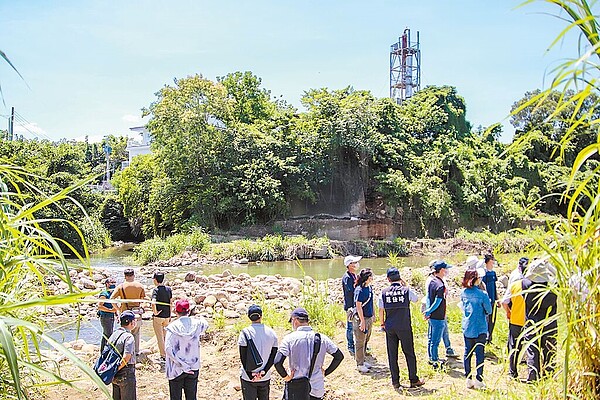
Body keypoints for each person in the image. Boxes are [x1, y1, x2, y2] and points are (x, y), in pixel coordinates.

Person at [274, 307, 344, 400]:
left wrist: (286, 377)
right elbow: (339, 356)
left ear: (295, 320)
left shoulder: (289, 339)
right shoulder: (322, 338)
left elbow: (277, 362)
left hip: (296, 389)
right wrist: (325, 372)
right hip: (316, 388)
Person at [378, 267, 425, 389]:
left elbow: (381, 309)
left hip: (390, 327)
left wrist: (382, 323)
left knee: (392, 354)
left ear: (388, 279)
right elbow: (416, 299)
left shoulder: (384, 292)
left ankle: (395, 381)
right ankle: (413, 380)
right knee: (409, 353)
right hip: (404, 326)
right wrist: (406, 284)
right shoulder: (406, 290)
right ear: (400, 277)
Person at [165, 299, 209, 400]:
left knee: (175, 397)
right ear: (188, 311)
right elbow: (206, 324)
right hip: (193, 366)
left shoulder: (172, 327)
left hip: (176, 369)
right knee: (191, 397)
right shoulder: (197, 324)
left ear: (176, 312)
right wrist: (199, 316)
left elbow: (168, 348)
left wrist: (181, 364)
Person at [522, 259, 558, 382]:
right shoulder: (552, 289)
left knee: (532, 351)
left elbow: (525, 277)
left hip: (532, 324)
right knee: (550, 351)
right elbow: (557, 276)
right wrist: (549, 266)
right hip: (550, 324)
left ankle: (533, 377)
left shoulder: (526, 284)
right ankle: (549, 376)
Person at [238, 304, 278, 400]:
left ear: (249, 317)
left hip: (248, 377)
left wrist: (250, 374)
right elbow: (274, 355)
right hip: (265, 376)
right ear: (261, 316)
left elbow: (243, 356)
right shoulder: (271, 332)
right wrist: (264, 371)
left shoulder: (245, 333)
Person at [460, 269, 492, 390]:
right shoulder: (483, 294)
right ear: (475, 279)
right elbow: (489, 310)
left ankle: (468, 379)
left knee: (467, 353)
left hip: (467, 326)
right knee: (479, 354)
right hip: (480, 328)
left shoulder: (463, 292)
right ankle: (479, 379)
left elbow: (463, 307)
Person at [423, 260, 452, 368]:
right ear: (442, 270)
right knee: (436, 340)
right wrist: (429, 311)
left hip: (432, 316)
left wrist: (428, 312)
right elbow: (438, 301)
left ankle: (431, 357)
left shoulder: (432, 281)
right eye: (446, 269)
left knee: (431, 338)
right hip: (438, 316)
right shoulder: (440, 285)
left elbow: (429, 298)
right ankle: (434, 361)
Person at [111, 268, 146, 355]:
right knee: (136, 333)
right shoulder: (140, 286)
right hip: (137, 313)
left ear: (125, 276)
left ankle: (125, 352)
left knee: (125, 333)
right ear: (133, 275)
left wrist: (118, 309)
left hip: (125, 313)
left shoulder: (120, 287)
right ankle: (136, 351)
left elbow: (112, 299)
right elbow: (143, 300)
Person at [501, 268, 527, 379]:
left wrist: (508, 313)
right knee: (532, 348)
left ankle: (513, 372)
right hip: (531, 322)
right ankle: (533, 373)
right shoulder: (536, 287)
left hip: (515, 320)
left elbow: (504, 302)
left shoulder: (514, 285)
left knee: (514, 347)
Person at [108, 310, 137, 400]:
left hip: (114, 372)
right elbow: (126, 357)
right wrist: (118, 368)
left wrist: (113, 370)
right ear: (131, 322)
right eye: (134, 320)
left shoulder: (114, 334)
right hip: (126, 371)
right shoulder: (129, 337)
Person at [353, 268, 374, 373]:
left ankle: (363, 359)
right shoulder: (359, 290)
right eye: (371, 276)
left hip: (369, 317)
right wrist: (362, 321)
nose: (372, 278)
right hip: (362, 318)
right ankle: (359, 363)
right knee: (360, 341)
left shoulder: (369, 288)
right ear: (367, 278)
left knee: (366, 340)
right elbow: (358, 306)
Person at [151, 271, 173, 360]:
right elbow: (171, 302)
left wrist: (155, 312)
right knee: (166, 336)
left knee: (160, 337)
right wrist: (170, 314)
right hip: (167, 316)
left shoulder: (156, 290)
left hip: (158, 317)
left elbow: (153, 302)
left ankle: (163, 356)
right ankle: (168, 353)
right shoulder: (168, 289)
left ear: (155, 280)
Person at [342, 255, 360, 355]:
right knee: (350, 326)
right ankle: (350, 345)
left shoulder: (353, 275)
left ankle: (358, 344)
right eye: (354, 263)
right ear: (349, 265)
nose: (356, 264)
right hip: (350, 306)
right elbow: (352, 291)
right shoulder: (347, 278)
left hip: (355, 305)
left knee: (357, 325)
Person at [481, 254, 500, 344]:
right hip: (486, 301)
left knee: (492, 320)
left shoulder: (493, 273)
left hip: (493, 300)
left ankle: (490, 338)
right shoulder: (483, 273)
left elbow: (494, 287)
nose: (494, 262)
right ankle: (485, 338)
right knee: (486, 320)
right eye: (492, 260)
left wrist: (497, 299)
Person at [98, 277, 117, 353]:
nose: (113, 284)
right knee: (107, 334)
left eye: (114, 282)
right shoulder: (104, 294)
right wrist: (110, 310)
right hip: (105, 317)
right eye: (111, 282)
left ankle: (105, 351)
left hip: (111, 316)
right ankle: (104, 351)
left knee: (109, 333)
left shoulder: (112, 293)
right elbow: (100, 306)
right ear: (107, 284)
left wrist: (115, 313)